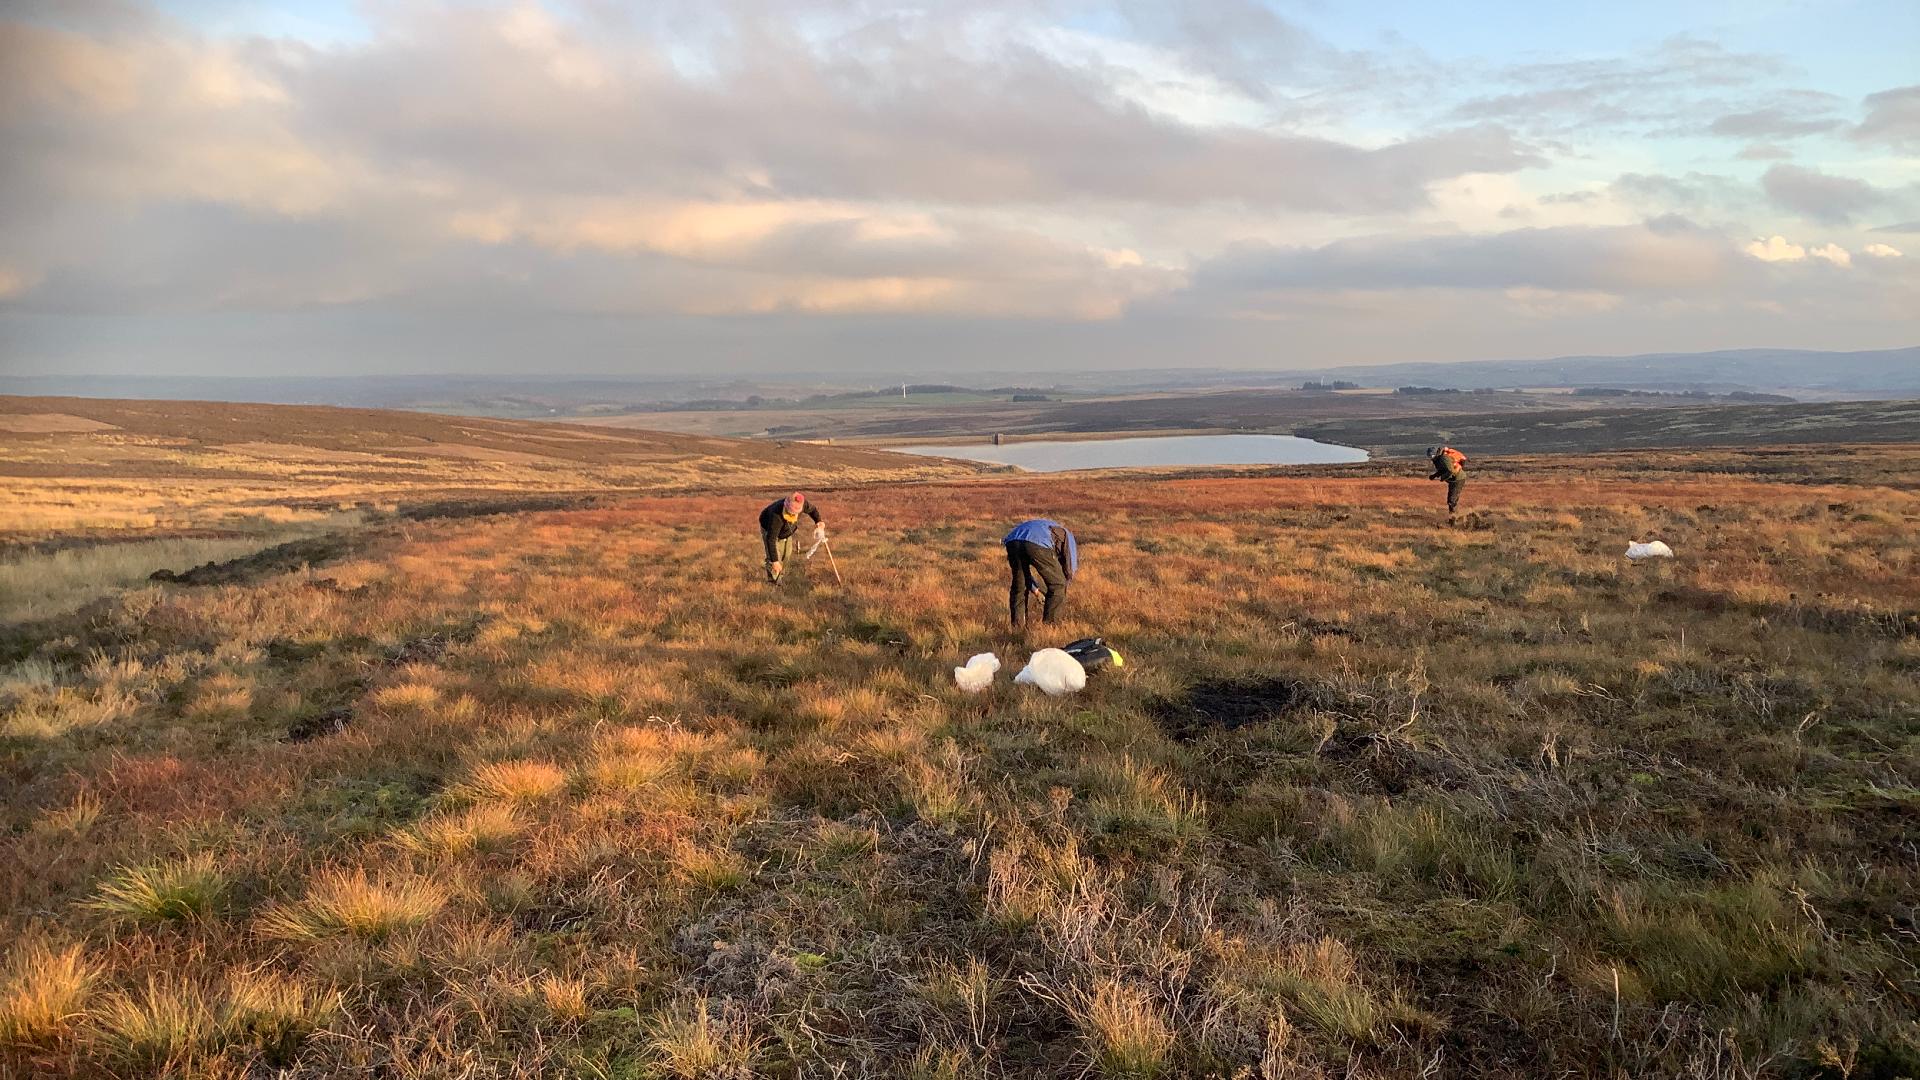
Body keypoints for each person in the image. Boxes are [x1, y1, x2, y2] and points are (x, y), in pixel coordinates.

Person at [1003, 518, 1077, 629]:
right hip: (1037, 542)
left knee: (1019, 586)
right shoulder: (1068, 537)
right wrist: (1064, 586)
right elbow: (1071, 566)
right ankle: (1050, 627)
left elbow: (1026, 576)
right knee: (1058, 585)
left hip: (1012, 541)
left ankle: (1017, 628)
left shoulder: (1049, 527)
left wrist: (1036, 590)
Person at [759, 492, 824, 583]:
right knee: (775, 557)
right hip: (770, 532)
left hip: (787, 531)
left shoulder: (803, 504)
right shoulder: (776, 515)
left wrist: (818, 521)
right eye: (791, 512)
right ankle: (773, 582)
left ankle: (780, 575)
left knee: (787, 555)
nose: (793, 515)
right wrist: (775, 561)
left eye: (795, 513)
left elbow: (812, 510)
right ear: (786, 506)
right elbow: (771, 539)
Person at [1427, 445, 1467, 520]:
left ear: (1436, 454)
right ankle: (1455, 517)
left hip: (1458, 479)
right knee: (1451, 500)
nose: (1430, 457)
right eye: (1429, 456)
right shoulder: (1439, 459)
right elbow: (1443, 470)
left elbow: (1450, 471)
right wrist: (1435, 475)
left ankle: (1454, 519)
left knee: (1451, 500)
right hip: (1454, 479)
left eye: (1431, 455)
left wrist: (1443, 478)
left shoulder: (1443, 458)